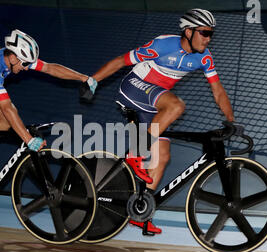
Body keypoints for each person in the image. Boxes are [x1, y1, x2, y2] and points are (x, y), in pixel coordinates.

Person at [79, 9, 235, 234]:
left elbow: (218, 90)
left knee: (162, 157)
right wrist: (92, 81)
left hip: (154, 103)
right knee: (176, 106)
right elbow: (122, 60)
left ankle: (140, 210)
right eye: (204, 33)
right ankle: (135, 154)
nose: (208, 38)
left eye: (211, 33)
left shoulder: (204, 57)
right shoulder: (163, 45)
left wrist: (231, 121)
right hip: (134, 88)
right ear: (189, 32)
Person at [0, 29, 95, 225]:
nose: (27, 68)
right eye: (24, 63)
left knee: (5, 118)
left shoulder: (14, 58)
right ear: (12, 56)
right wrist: (28, 140)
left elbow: (49, 68)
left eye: (28, 63)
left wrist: (82, 77)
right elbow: (7, 108)